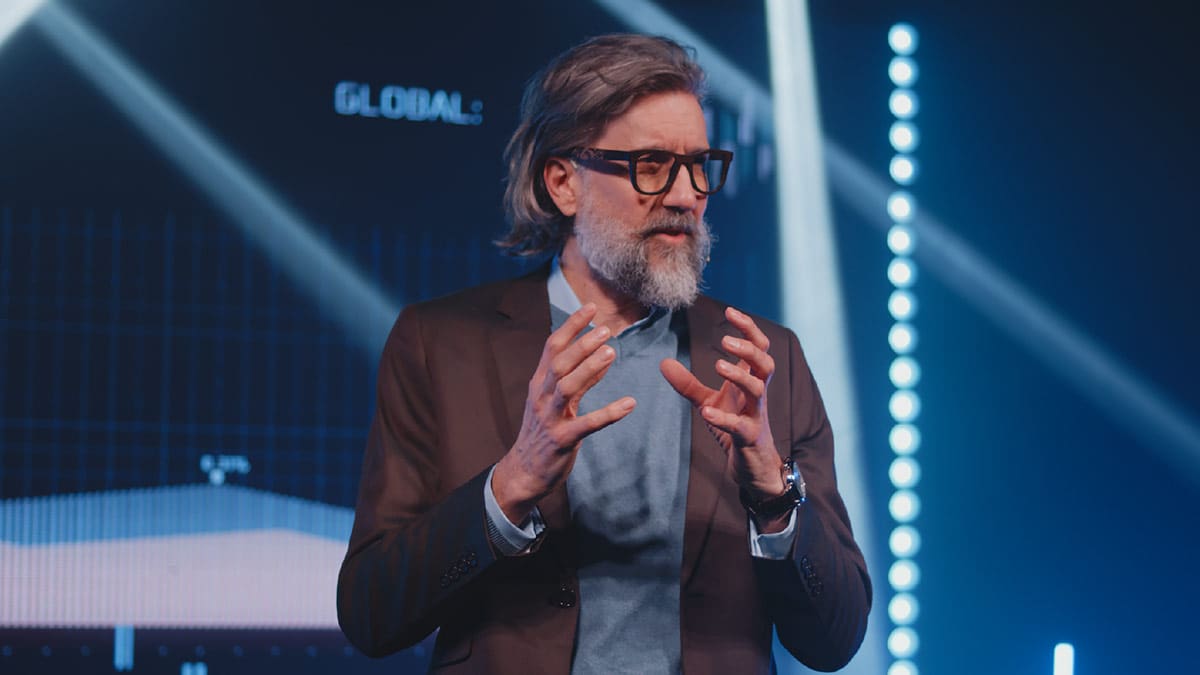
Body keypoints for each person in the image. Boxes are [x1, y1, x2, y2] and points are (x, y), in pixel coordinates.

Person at [337, 33, 870, 674]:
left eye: (700, 166)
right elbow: (371, 613)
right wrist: (510, 487)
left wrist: (772, 493)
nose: (685, 195)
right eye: (651, 165)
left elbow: (836, 638)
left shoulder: (761, 359)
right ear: (564, 183)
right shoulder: (440, 344)